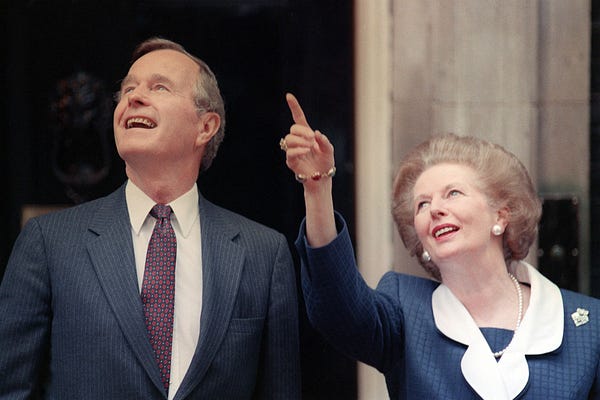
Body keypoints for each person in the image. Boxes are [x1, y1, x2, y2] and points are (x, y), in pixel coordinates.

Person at [0, 38, 300, 400]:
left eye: (159, 87)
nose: (135, 97)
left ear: (205, 127)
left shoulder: (264, 254)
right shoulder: (50, 242)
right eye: (128, 89)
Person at [280, 93, 600, 399]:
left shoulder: (587, 325)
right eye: (422, 204)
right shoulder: (406, 308)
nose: (434, 209)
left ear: (501, 216)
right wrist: (317, 187)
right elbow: (337, 309)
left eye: (453, 193)